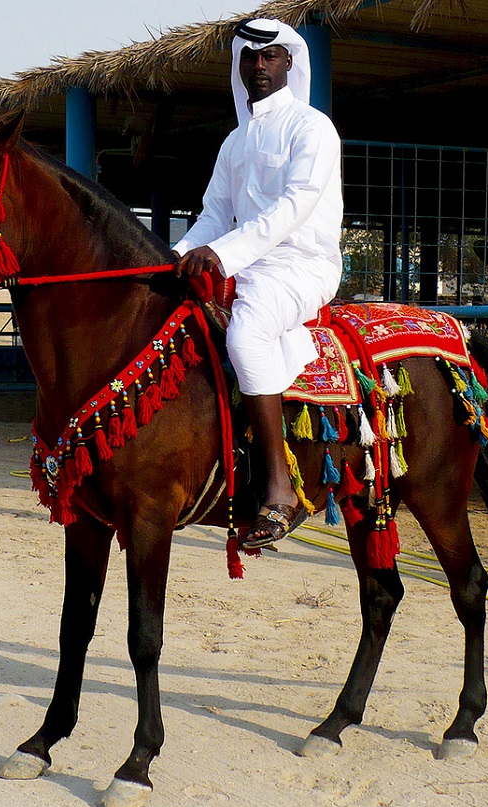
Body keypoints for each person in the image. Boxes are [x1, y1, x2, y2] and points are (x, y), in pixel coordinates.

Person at [173, 18, 343, 548]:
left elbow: (294, 208)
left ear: (290, 63)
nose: (259, 66)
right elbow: (213, 214)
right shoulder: (233, 142)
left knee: (245, 333)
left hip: (302, 265)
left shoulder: (312, 127)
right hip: (245, 262)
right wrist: (171, 259)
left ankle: (279, 487)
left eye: (270, 57)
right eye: (250, 57)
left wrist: (220, 255)